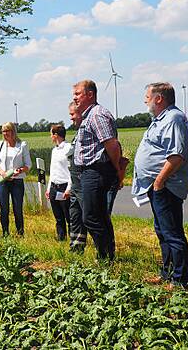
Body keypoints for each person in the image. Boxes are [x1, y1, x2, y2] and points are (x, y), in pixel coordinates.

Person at [133, 82, 188, 290]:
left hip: (167, 185)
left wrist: (159, 182)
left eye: (147, 96)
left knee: (172, 233)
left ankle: (180, 281)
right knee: (162, 231)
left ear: (159, 98)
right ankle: (167, 274)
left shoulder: (174, 118)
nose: (144, 100)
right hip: (158, 185)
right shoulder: (160, 119)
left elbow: (177, 156)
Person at [73, 80, 122, 261]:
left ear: (90, 94)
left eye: (78, 93)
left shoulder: (97, 115)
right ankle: (108, 255)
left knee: (91, 217)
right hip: (90, 172)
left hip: (97, 171)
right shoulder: (88, 116)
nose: (74, 97)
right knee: (99, 215)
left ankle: (105, 256)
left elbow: (111, 144)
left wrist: (115, 168)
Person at [0, 122, 32, 237]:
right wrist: (2, 173)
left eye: (7, 131)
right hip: (3, 180)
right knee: (4, 208)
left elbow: (28, 165)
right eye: (3, 131)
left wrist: (20, 170)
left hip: (17, 180)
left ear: (13, 132)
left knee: (17, 208)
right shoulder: (1, 145)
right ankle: (5, 233)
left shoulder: (22, 145)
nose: (5, 134)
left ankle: (20, 233)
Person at [67, 102, 88, 253]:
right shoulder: (78, 133)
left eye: (72, 114)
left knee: (89, 217)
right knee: (75, 217)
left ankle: (104, 251)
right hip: (75, 184)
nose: (71, 118)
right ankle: (76, 248)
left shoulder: (88, 130)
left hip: (83, 182)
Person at [45, 124, 71, 241]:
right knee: (58, 217)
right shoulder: (54, 150)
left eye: (51, 134)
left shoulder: (69, 148)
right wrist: (49, 187)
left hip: (65, 186)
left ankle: (73, 239)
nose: (50, 137)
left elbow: (71, 170)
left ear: (55, 135)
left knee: (69, 216)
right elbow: (53, 170)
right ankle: (61, 238)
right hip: (54, 186)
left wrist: (69, 188)